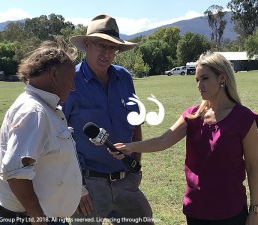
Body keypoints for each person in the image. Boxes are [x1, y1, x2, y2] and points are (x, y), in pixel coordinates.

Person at [111, 52, 258, 225]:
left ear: (222, 78)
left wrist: (255, 210)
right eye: (197, 80)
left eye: (204, 78)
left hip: (230, 212)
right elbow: (163, 140)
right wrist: (130, 147)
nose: (199, 85)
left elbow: (253, 166)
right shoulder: (193, 116)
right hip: (196, 210)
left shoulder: (244, 119)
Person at [62, 15, 153, 224]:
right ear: (87, 45)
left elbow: (135, 122)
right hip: (89, 186)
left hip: (125, 181)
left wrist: (135, 166)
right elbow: (58, 137)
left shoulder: (124, 77)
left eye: (112, 48)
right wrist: (77, 187)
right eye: (101, 46)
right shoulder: (71, 80)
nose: (107, 53)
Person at [0, 40, 82, 225]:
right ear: (54, 74)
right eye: (71, 78)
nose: (73, 86)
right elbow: (16, 172)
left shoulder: (44, 108)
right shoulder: (33, 111)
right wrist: (39, 219)